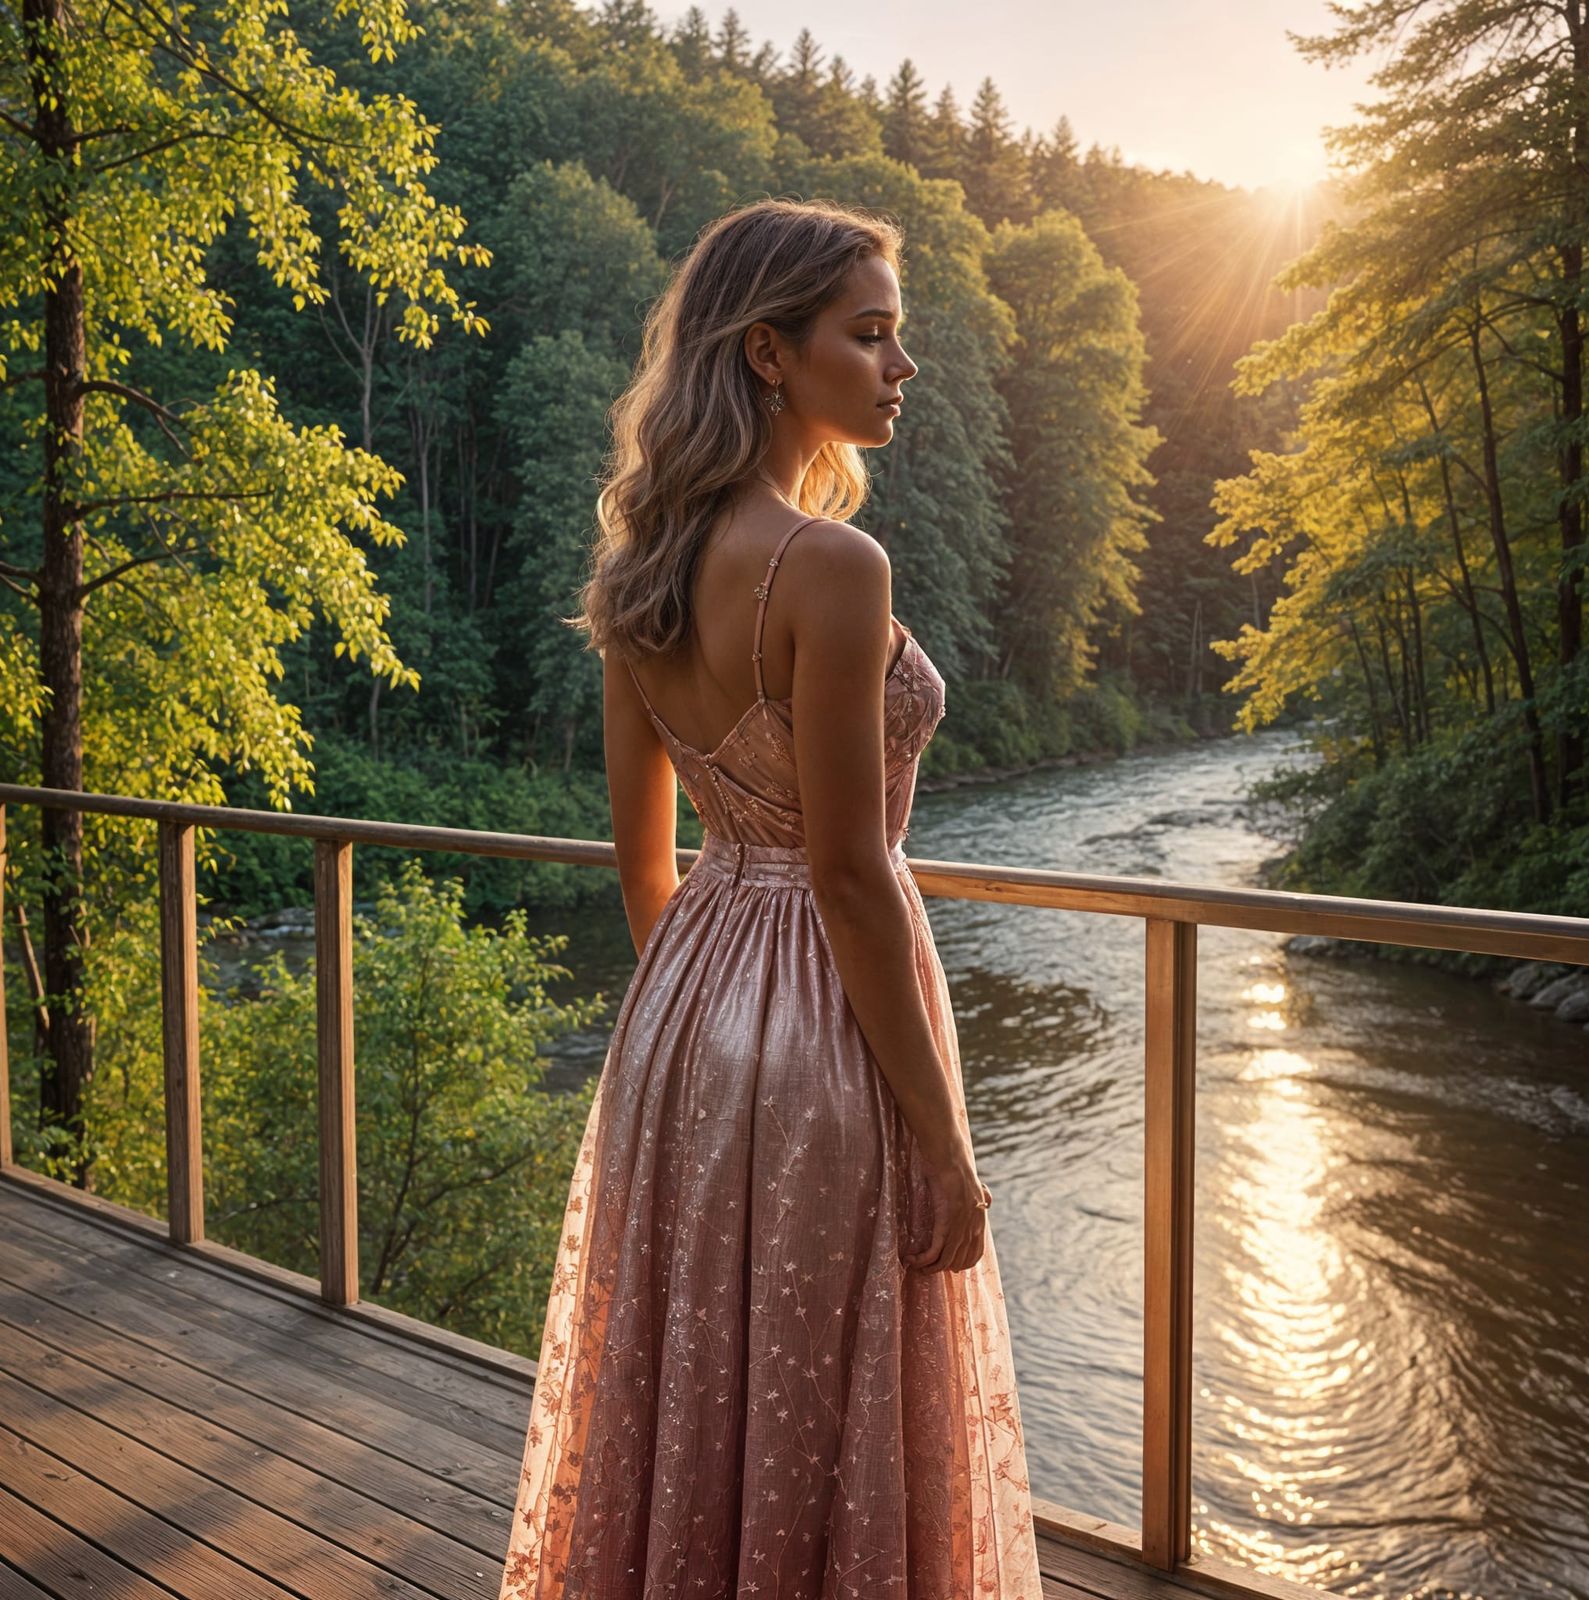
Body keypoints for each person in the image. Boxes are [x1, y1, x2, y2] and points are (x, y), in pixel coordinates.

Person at [498, 197, 1043, 1599]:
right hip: (829, 1023)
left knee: (706, 1380)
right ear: (768, 355)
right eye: (869, 337)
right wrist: (942, 1145)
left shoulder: (644, 573)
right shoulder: (831, 567)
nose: (900, 367)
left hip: (685, 1015)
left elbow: (641, 862)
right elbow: (855, 877)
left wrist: (705, 1028)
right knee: (833, 1375)